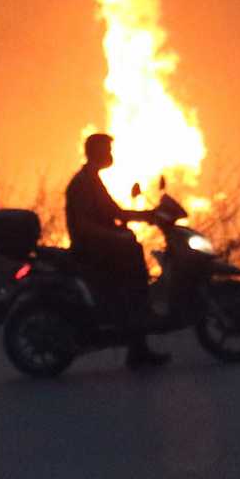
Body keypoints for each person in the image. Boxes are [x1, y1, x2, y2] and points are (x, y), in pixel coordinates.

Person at [64, 132, 169, 368]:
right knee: (132, 265)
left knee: (132, 249)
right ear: (96, 153)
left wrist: (148, 216)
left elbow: (114, 212)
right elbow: (83, 224)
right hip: (90, 247)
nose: (110, 155)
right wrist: (114, 235)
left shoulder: (93, 180)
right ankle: (138, 332)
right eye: (106, 150)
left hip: (97, 244)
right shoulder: (82, 183)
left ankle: (137, 343)